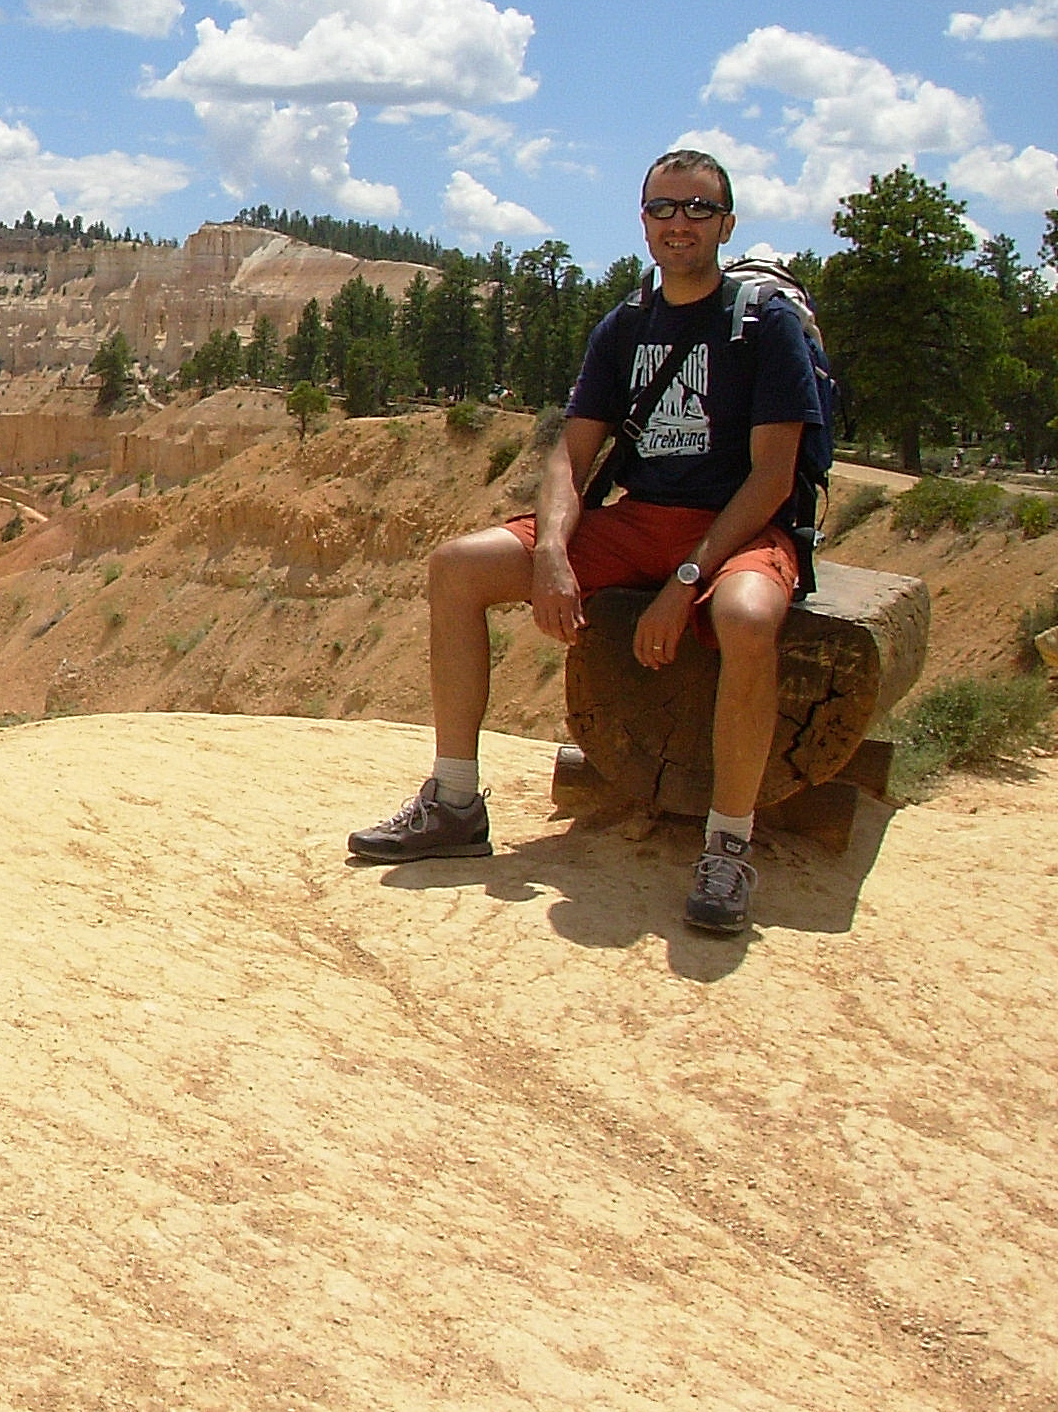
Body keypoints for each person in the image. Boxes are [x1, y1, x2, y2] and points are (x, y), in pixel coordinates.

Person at [348, 148, 824, 935]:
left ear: (727, 223)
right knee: (457, 568)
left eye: (698, 209)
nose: (680, 224)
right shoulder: (626, 327)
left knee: (744, 618)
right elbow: (571, 459)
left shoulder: (761, 325)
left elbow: (772, 477)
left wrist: (682, 582)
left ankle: (728, 845)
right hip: (639, 520)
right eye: (664, 208)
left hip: (734, 530)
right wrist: (551, 556)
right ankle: (456, 801)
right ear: (642, 222)